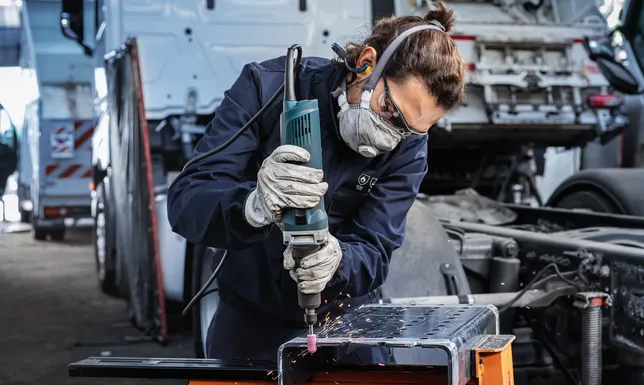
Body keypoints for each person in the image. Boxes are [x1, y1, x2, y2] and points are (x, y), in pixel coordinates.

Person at [167, 2, 466, 361]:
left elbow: (376, 247)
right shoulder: (267, 88)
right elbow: (188, 199)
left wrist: (338, 261)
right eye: (389, 111)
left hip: (349, 318)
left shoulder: (410, 148)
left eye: (407, 129)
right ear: (366, 65)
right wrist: (251, 206)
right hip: (251, 316)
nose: (390, 136)